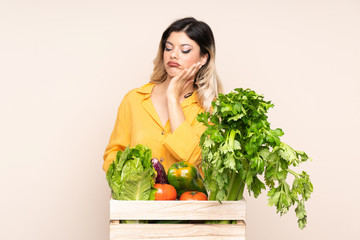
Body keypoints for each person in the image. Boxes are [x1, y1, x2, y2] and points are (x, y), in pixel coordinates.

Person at [103, 17, 223, 173]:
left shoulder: (209, 108)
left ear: (203, 58)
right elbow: (114, 154)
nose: (173, 55)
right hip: (139, 197)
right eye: (168, 47)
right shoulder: (134, 99)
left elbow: (192, 160)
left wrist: (172, 98)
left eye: (185, 50)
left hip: (188, 197)